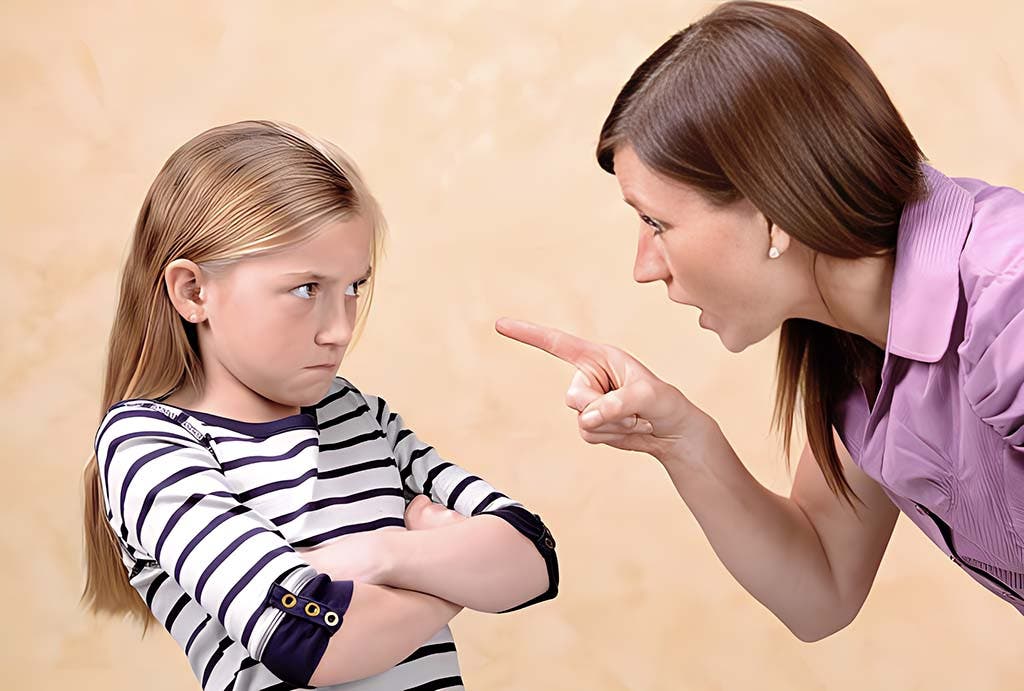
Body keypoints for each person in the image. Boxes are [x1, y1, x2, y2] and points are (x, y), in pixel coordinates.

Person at [497, 0, 1024, 641]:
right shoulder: (859, 354)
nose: (644, 266)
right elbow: (822, 587)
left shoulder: (1008, 297)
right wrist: (681, 438)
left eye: (656, 223)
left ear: (773, 213)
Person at [83, 120, 558, 690]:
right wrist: (453, 570)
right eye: (306, 289)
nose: (339, 330)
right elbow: (311, 642)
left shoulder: (358, 414)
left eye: (354, 286)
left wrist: (385, 555)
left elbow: (533, 558)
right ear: (193, 292)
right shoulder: (149, 444)